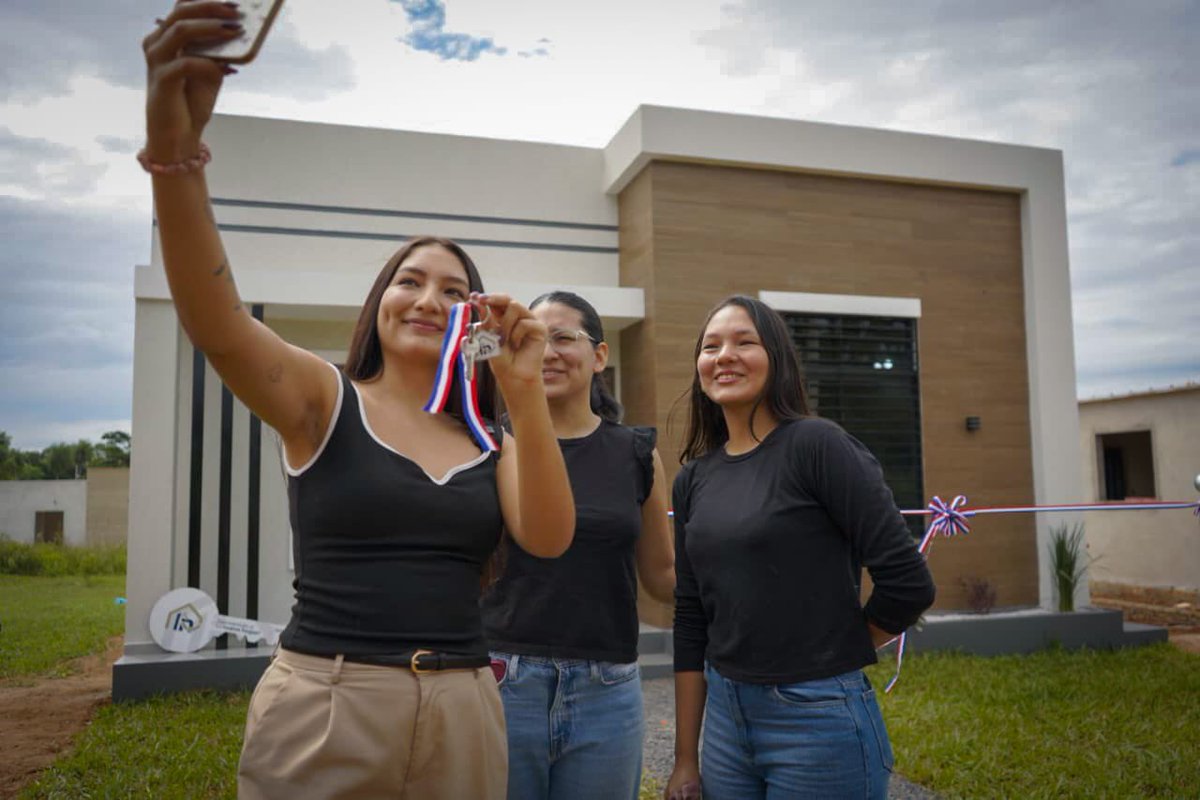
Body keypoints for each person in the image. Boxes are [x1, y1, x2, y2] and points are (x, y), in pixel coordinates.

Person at [141, 5, 574, 797]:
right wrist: (177, 156)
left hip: (467, 706)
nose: (428, 298)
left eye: (454, 289)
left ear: (473, 320)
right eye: (409, 281)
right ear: (379, 300)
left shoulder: (490, 440)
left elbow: (547, 539)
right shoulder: (323, 398)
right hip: (328, 705)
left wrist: (523, 392)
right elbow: (218, 322)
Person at [664, 296, 936, 800]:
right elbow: (690, 615)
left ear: (778, 360)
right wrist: (685, 758)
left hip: (818, 719)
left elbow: (909, 583)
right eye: (711, 346)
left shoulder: (817, 446)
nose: (724, 355)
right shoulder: (693, 479)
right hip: (725, 720)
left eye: (745, 342)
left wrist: (837, 649)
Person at [481, 291, 675, 800]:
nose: (547, 352)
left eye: (563, 338)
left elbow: (664, 577)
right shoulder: (491, 445)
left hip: (606, 689)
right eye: (533, 339)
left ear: (600, 356)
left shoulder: (637, 454)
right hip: (505, 679)